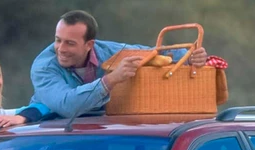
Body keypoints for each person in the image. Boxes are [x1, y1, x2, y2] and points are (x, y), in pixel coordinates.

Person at [29, 10, 208, 118]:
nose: (61, 49)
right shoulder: (44, 67)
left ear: (89, 45)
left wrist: (189, 56)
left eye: (70, 43)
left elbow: (150, 53)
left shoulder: (107, 51)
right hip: (48, 145)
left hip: (97, 137)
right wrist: (111, 80)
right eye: (58, 40)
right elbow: (67, 105)